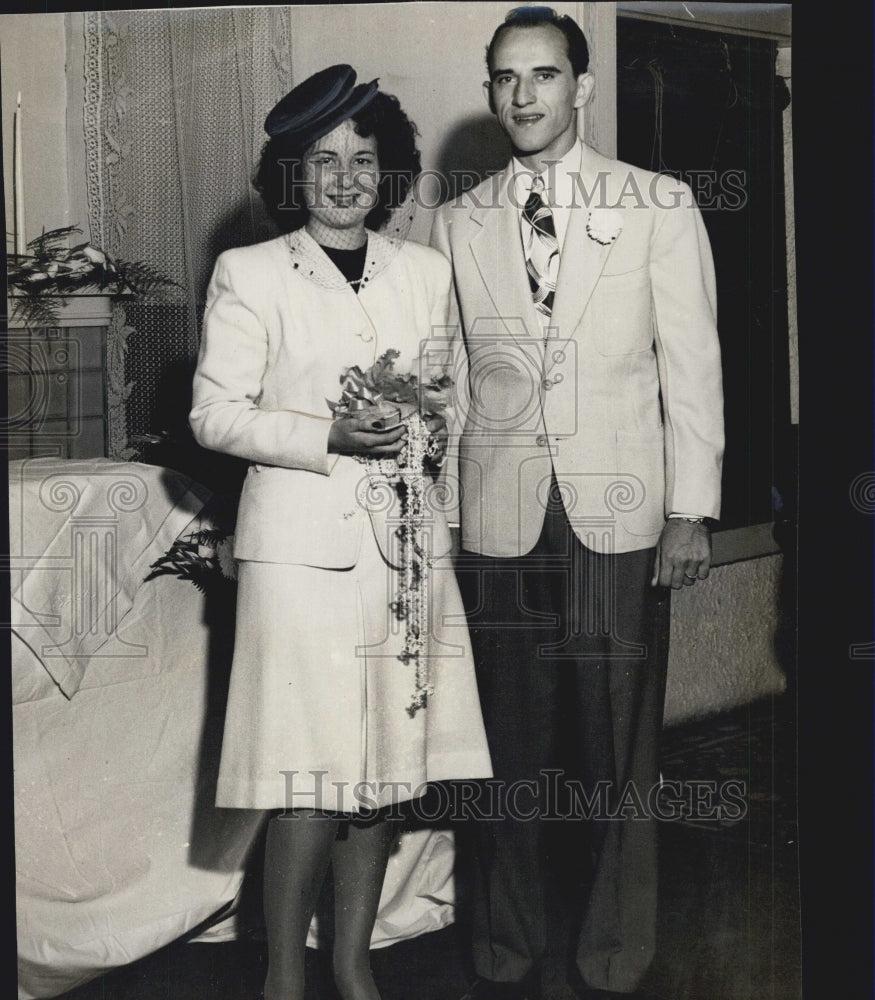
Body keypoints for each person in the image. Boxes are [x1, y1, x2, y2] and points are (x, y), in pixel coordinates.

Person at [431, 7, 724, 1000]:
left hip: (619, 513)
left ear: (581, 87)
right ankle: (500, 947)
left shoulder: (657, 203)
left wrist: (689, 510)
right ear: (490, 91)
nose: (522, 96)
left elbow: (690, 368)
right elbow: (452, 382)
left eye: (543, 75)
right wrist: (445, 519)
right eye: (504, 78)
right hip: (497, 519)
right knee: (500, 750)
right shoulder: (458, 220)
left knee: (614, 750)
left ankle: (611, 952)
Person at [189, 65, 492, 1000]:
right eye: (323, 160)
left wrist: (431, 442)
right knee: (308, 776)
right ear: (293, 174)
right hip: (298, 558)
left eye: (363, 159)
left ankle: (354, 968)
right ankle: (284, 976)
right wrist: (327, 435)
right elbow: (214, 415)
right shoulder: (250, 272)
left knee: (384, 772)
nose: (345, 177)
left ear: (387, 170)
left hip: (403, 556)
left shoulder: (424, 271)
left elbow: (451, 405)